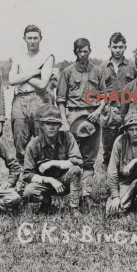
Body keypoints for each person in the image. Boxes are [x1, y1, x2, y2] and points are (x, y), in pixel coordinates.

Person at [57, 38, 106, 208]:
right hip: (73, 117)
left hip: (93, 118)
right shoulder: (67, 72)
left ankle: (87, 195)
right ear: (75, 52)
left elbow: (104, 97)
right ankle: (74, 197)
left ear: (90, 51)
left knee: (89, 159)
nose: (83, 54)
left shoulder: (98, 71)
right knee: (74, 158)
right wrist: (64, 121)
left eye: (86, 51)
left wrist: (98, 111)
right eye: (80, 51)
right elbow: (61, 100)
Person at [20, 106, 83, 216]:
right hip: (46, 185)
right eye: (48, 123)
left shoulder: (67, 137)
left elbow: (78, 161)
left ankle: (74, 207)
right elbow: (27, 174)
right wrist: (49, 180)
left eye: (55, 124)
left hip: (65, 181)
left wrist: (54, 162)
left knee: (76, 170)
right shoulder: (34, 145)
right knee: (28, 193)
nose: (51, 127)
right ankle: (46, 202)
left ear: (60, 126)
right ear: (42, 126)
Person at [8, 25, 55, 165]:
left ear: (41, 38)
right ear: (24, 39)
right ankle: (23, 174)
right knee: (19, 138)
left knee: (42, 140)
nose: (33, 41)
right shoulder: (17, 57)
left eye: (35, 38)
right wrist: (36, 72)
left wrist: (22, 76)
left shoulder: (47, 56)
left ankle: (42, 174)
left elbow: (42, 85)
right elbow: (11, 80)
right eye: (29, 38)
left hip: (39, 99)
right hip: (20, 99)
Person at [100, 32, 136, 167]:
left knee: (128, 148)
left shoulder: (132, 66)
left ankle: (125, 178)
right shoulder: (102, 67)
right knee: (108, 150)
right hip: (109, 113)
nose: (117, 50)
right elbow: (98, 92)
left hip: (127, 112)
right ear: (109, 47)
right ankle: (107, 181)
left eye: (120, 47)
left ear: (125, 47)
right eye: (115, 47)